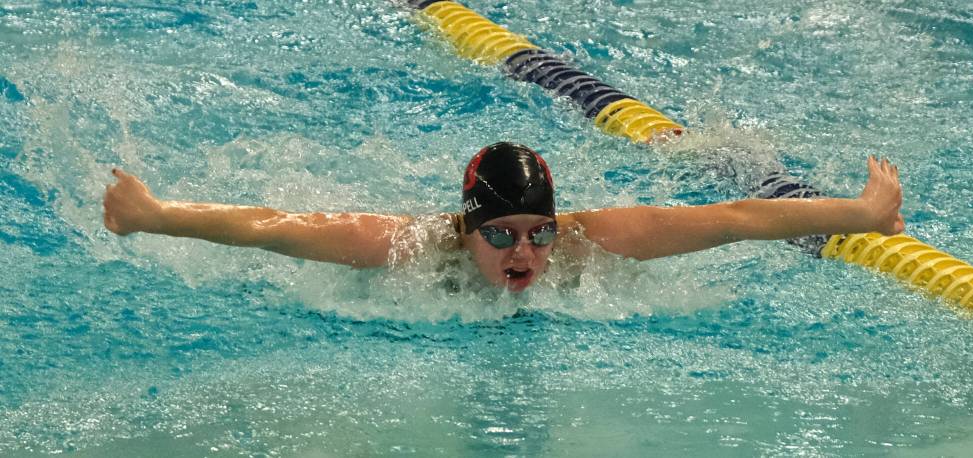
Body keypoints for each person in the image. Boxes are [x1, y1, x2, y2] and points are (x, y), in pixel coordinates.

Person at [103, 142, 904, 292]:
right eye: (500, 233)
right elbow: (270, 228)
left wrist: (864, 213)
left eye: (537, 232)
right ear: (464, 231)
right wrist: (152, 215)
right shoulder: (407, 250)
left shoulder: (593, 244)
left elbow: (731, 216)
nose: (524, 252)